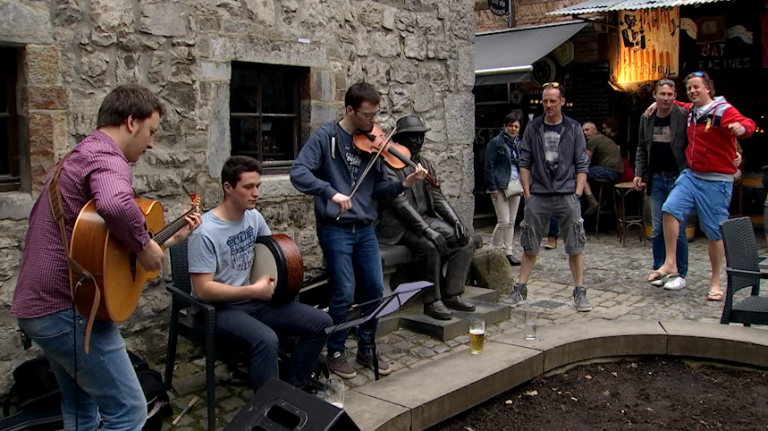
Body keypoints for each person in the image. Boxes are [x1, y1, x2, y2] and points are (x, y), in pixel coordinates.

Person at [11, 85, 201, 431]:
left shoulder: (76, 157)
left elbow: (98, 239)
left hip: (41, 309)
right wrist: (144, 245)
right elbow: (115, 205)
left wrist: (162, 240)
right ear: (131, 121)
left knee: (82, 407)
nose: (151, 143)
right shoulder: (107, 157)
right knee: (128, 411)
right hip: (69, 310)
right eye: (151, 131)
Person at [290, 83, 428, 379]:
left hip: (364, 227)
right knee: (343, 291)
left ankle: (367, 347)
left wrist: (404, 183)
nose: (373, 123)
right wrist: (330, 192)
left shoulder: (372, 142)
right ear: (350, 110)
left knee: (374, 290)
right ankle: (335, 350)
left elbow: (379, 188)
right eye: (367, 115)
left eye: (376, 115)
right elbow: (298, 172)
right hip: (335, 228)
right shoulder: (325, 137)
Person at [187, 156, 333, 392]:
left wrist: (279, 283)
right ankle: (268, 411)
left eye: (258, 186)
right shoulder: (204, 232)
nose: (256, 193)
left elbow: (271, 256)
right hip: (218, 311)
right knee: (265, 340)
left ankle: (297, 386)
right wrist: (253, 290)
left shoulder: (253, 217)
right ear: (228, 187)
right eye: (248, 187)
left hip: (256, 301)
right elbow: (203, 290)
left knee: (321, 322)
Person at [645, 71, 755, 301]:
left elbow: (748, 123)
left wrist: (741, 129)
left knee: (714, 233)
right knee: (669, 209)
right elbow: (673, 101)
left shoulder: (723, 110)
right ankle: (670, 263)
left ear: (708, 88)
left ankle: (715, 282)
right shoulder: (691, 110)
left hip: (716, 181)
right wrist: (656, 104)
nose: (693, 91)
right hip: (692, 175)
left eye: (697, 87)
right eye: (690, 88)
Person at [377, 114, 476, 321]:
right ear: (400, 140)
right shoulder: (389, 166)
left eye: (420, 136)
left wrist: (455, 220)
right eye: (412, 137)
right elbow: (400, 205)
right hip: (401, 227)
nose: (417, 141)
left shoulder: (425, 163)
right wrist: (427, 231)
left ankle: (452, 293)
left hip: (425, 219)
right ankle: (432, 301)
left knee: (467, 240)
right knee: (429, 246)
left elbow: (437, 197)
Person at [509, 82, 592, 312]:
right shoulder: (534, 128)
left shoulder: (573, 128)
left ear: (562, 102)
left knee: (575, 243)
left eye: (553, 101)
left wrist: (577, 193)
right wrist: (527, 193)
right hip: (539, 194)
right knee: (529, 242)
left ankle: (579, 290)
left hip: (567, 193)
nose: (548, 105)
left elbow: (581, 164)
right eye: (545, 101)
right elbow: (525, 162)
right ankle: (520, 287)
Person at [635, 79, 689, 291]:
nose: (666, 98)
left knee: (678, 228)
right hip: (656, 178)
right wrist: (639, 172)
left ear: (675, 95)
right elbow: (641, 147)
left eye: (669, 94)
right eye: (662, 94)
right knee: (657, 228)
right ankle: (660, 268)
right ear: (655, 96)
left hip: (679, 177)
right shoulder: (647, 117)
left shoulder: (682, 115)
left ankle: (679, 273)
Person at [485, 112, 523, 266]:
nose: (513, 129)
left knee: (512, 221)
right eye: (510, 125)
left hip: (515, 184)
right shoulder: (496, 143)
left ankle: (508, 251)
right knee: (503, 221)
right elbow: (489, 165)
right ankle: (493, 250)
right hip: (500, 185)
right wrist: (492, 187)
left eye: (516, 126)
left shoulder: (519, 144)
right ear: (505, 126)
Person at [580, 121, 624, 216]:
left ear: (594, 129)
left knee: (580, 175)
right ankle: (601, 200)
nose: (584, 133)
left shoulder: (593, 139)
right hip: (617, 171)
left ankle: (592, 201)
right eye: (583, 130)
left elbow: (585, 161)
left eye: (587, 130)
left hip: (609, 170)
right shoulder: (603, 138)